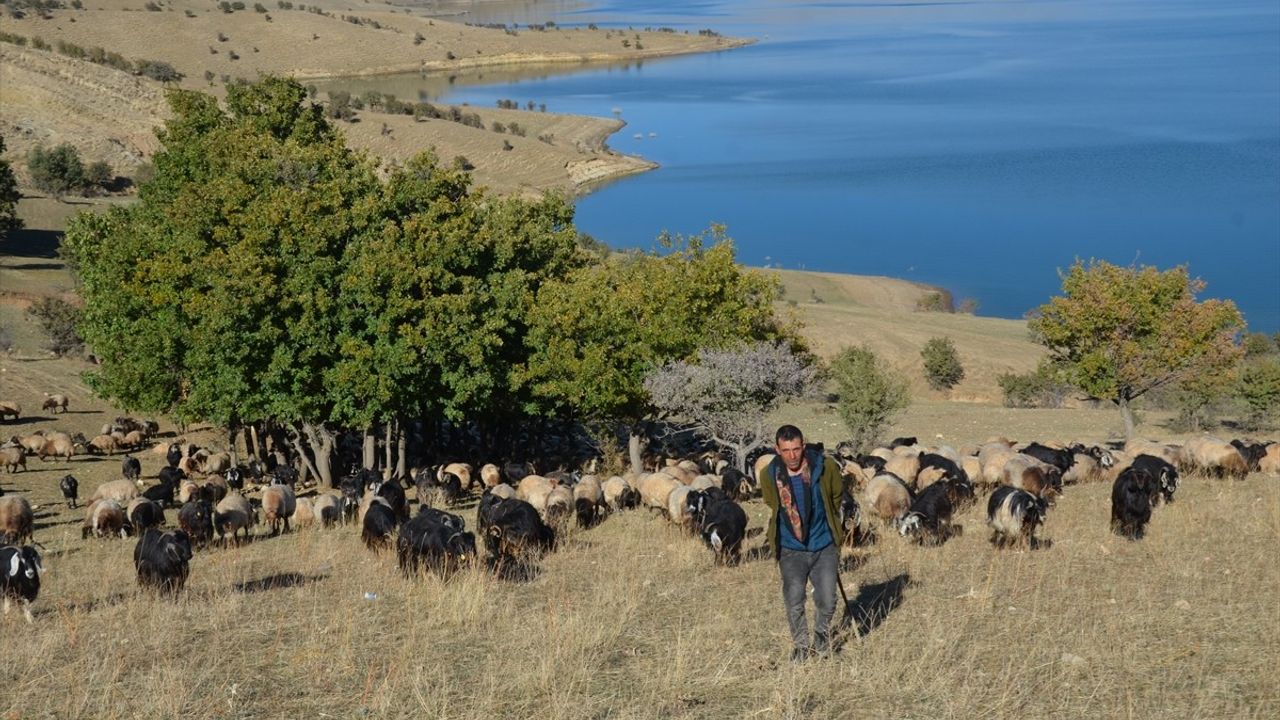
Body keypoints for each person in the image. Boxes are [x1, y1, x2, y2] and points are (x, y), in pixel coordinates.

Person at [758, 424, 843, 662]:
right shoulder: (768, 475)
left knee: (827, 599)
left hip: (823, 544)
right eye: (786, 450)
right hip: (790, 548)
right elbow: (771, 502)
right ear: (777, 449)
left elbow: (836, 495)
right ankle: (802, 645)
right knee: (794, 599)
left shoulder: (824, 468)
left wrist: (828, 526)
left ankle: (821, 636)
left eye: (796, 449)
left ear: (803, 446)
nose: (792, 456)